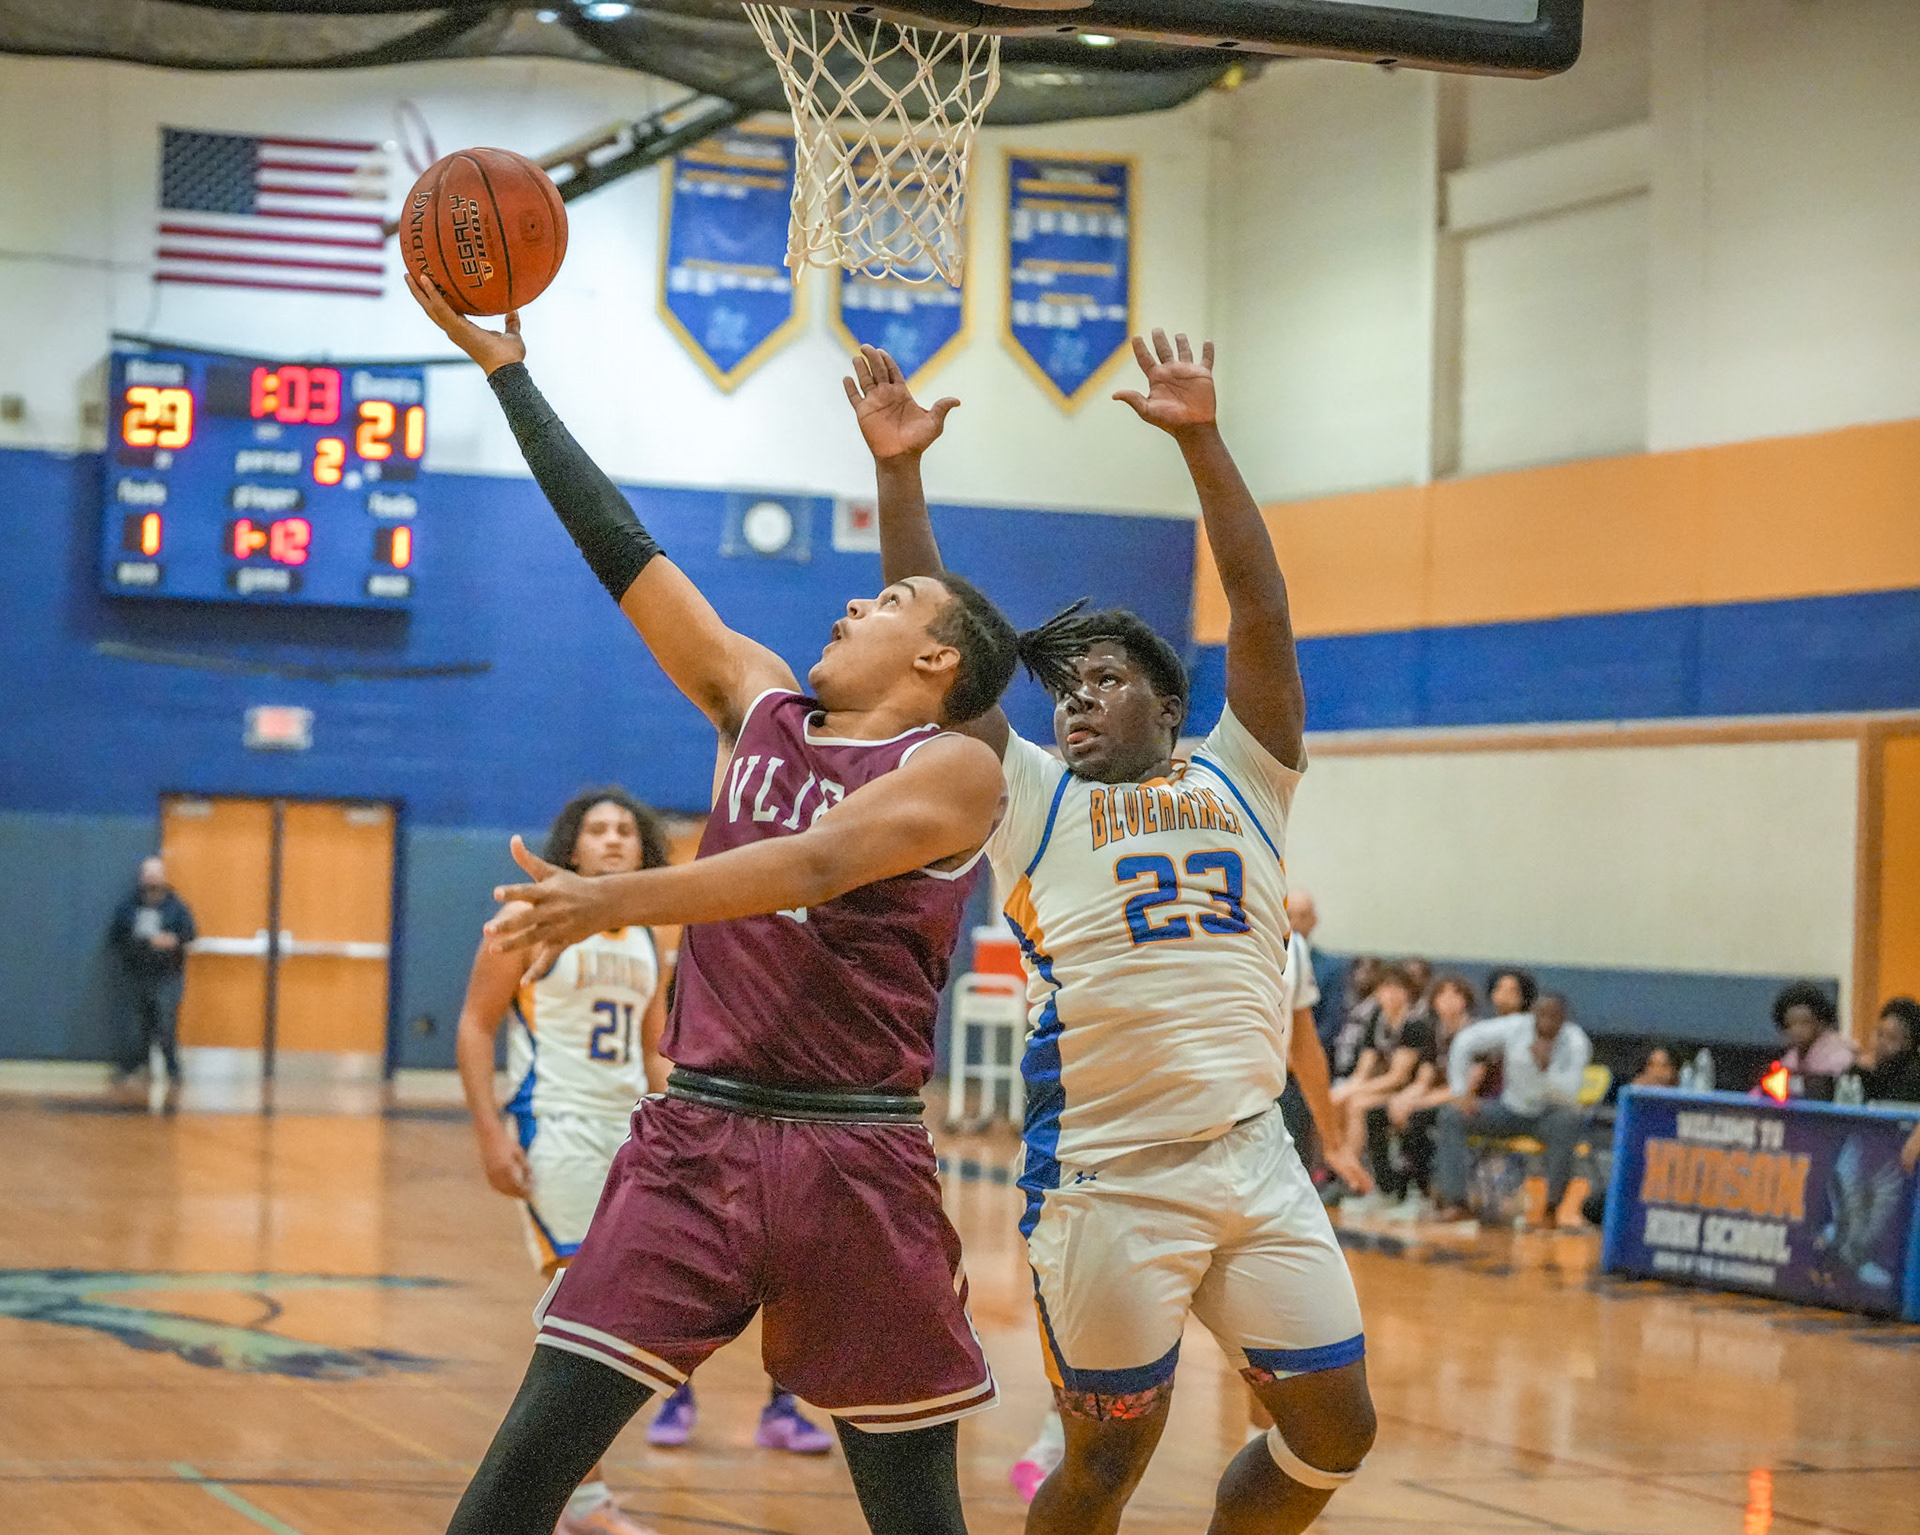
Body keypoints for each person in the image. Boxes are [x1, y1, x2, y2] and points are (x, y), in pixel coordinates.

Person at [407, 276, 1070, 1535]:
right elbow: (623, 551)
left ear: (935, 666)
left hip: (857, 1155)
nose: (848, 603)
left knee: (918, 1515)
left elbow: (816, 865)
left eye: (880, 602)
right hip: (694, 1142)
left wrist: (618, 896)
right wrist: (508, 376)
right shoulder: (754, 699)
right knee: (511, 1488)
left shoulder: (955, 772)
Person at [850, 335, 1374, 1535]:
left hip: (1254, 1158)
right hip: (1109, 1182)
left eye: (1104, 679)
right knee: (1100, 1469)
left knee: (1336, 1427)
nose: (1076, 696)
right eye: (1065, 687)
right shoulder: (1032, 798)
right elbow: (945, 659)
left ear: (1172, 706)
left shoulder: (1249, 774)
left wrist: (1201, 441)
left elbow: (1261, 605)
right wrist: (898, 477)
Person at [455, 787, 675, 1535]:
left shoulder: (650, 932)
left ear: (643, 847)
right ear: (572, 848)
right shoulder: (526, 919)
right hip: (556, 1128)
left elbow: (653, 1047)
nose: (613, 839)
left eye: (625, 829)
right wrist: (490, 1134)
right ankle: (582, 1500)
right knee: (583, 1315)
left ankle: (573, 1493)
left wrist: (679, 1124)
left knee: (615, 1318)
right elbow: (475, 1025)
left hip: (631, 1132)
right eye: (597, 830)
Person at [1432, 992, 1592, 1228]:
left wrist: (1544, 1070)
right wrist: (1460, 1091)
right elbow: (1465, 1041)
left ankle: (1551, 1208)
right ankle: (1457, 1203)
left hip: (1548, 1115)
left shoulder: (1576, 1041)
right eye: (1541, 1016)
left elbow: (1571, 1093)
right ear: (1532, 1015)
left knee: (1568, 1122)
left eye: (1553, 1018)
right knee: (1451, 1116)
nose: (1546, 1023)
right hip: (1508, 1110)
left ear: (1564, 1019)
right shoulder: (1516, 1027)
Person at [1379, 975, 1481, 1220]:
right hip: (1440, 1099)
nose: (1448, 1001)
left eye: (1455, 994)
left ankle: (1423, 1194)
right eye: (1442, 995)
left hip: (1471, 1104)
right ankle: (1389, 1191)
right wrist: (1404, 1099)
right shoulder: (1434, 1033)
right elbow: (1424, 1079)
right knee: (1381, 1113)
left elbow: (1468, 1087)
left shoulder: (1476, 1034)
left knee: (1419, 1118)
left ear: (1466, 1000)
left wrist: (1418, 1103)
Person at [109, 857, 196, 1099]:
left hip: (167, 975)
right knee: (137, 1025)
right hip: (137, 975)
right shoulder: (128, 907)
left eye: (156, 875)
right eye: (147, 875)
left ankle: (172, 1069)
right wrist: (145, 943)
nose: (152, 880)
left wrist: (173, 941)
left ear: (164, 877)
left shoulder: (177, 907)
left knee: (165, 1023)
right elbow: (117, 937)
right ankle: (134, 1065)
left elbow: (189, 934)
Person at [1772, 980, 1855, 1093]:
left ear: (1820, 1022)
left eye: (1804, 1023)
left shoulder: (1838, 1054)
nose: (1797, 1030)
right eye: (1790, 1025)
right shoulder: (1792, 1057)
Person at [1859, 998, 1920, 1103]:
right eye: (1879, 1034)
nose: (1881, 1043)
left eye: (1891, 1037)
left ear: (1909, 1043)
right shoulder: (1871, 1069)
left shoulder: (1913, 1076)